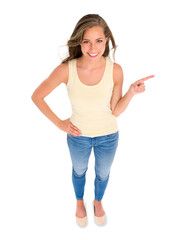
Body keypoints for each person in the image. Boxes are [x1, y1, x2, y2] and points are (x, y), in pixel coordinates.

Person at [31, 13, 154, 227]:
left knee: (103, 174)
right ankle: (79, 202)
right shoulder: (66, 70)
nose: (92, 48)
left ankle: (98, 202)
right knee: (79, 171)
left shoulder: (115, 70)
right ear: (79, 41)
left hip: (108, 136)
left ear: (106, 40)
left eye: (98, 41)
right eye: (86, 41)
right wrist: (60, 123)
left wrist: (131, 92)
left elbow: (115, 111)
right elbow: (37, 96)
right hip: (78, 137)